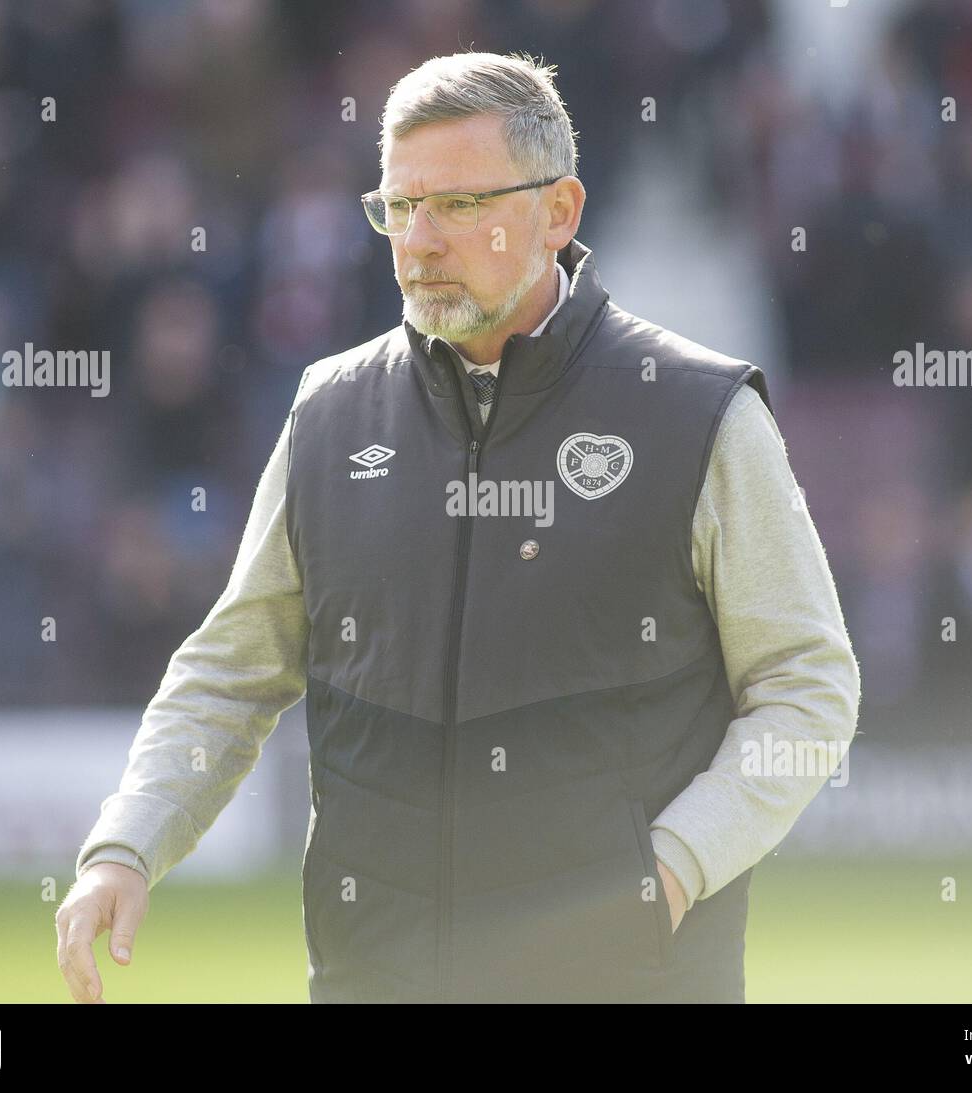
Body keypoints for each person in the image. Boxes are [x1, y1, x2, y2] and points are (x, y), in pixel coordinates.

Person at [56, 50, 860, 1004]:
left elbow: (807, 686)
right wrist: (128, 843)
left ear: (559, 211)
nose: (419, 241)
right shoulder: (328, 414)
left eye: (461, 205)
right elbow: (231, 669)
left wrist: (672, 870)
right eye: (399, 206)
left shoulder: (700, 414)